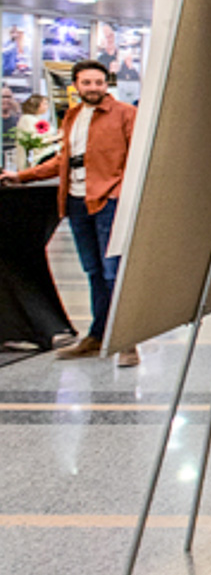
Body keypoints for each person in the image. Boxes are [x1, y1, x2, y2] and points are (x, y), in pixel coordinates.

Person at [2, 59, 138, 366]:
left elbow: (137, 159)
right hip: (76, 201)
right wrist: (21, 176)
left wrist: (120, 192)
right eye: (87, 83)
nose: (93, 88)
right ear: (76, 85)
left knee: (112, 272)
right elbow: (64, 160)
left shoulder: (126, 114)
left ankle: (127, 340)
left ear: (107, 85)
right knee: (93, 271)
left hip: (108, 200)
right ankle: (98, 335)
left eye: (99, 83)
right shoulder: (73, 116)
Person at [16, 94, 58, 165]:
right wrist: (58, 137)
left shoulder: (35, 119)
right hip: (41, 158)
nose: (47, 106)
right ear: (36, 105)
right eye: (45, 104)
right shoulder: (28, 119)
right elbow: (38, 140)